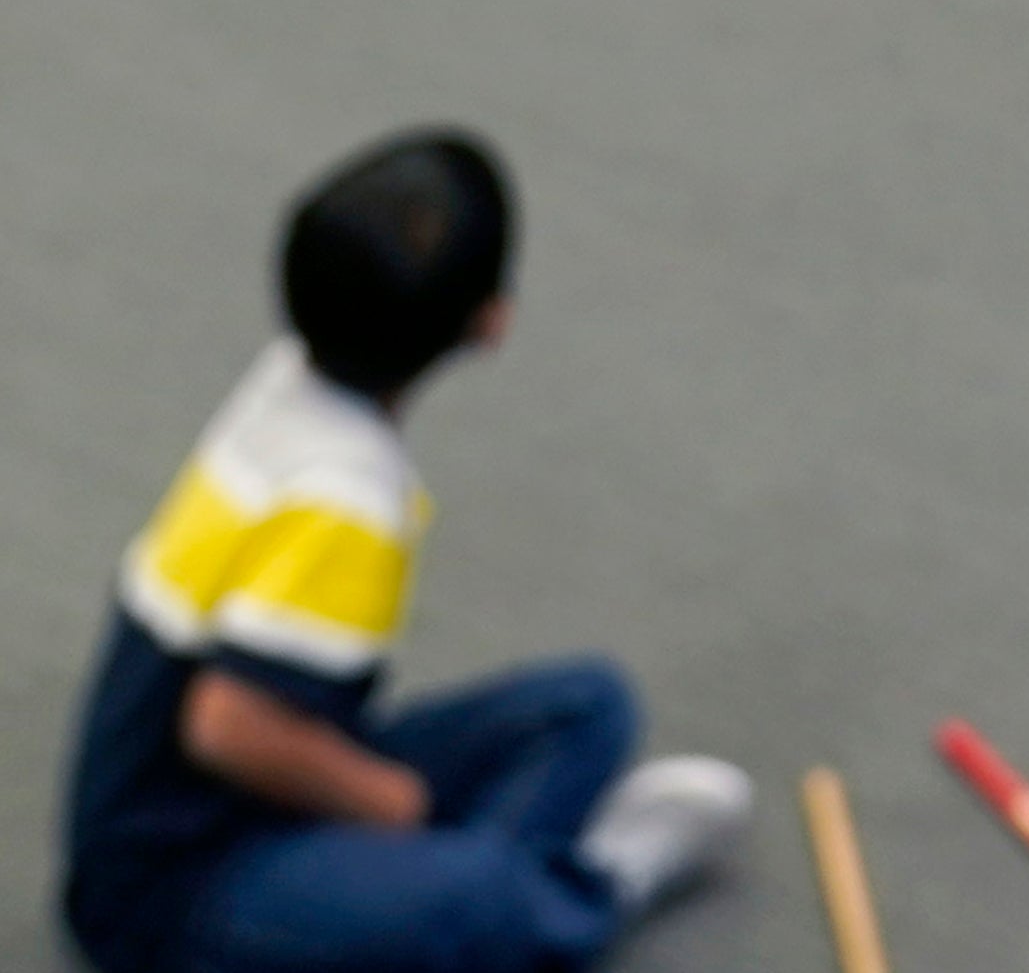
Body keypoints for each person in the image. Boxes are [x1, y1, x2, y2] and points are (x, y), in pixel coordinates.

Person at [55, 128, 751, 973]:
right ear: (491, 323)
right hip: (168, 897)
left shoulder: (284, 379)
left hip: (240, 808)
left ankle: (430, 891)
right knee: (477, 894)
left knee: (587, 705)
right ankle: (583, 893)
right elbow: (227, 726)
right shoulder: (348, 499)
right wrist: (390, 802)